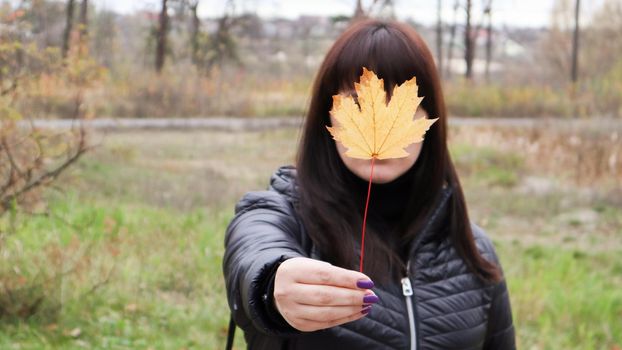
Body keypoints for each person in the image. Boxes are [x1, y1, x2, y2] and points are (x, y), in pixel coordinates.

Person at [223, 19, 515, 350]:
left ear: (429, 122)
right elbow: (253, 252)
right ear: (327, 118)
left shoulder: (472, 249)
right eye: (357, 105)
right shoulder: (285, 218)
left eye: (400, 107)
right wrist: (271, 285)